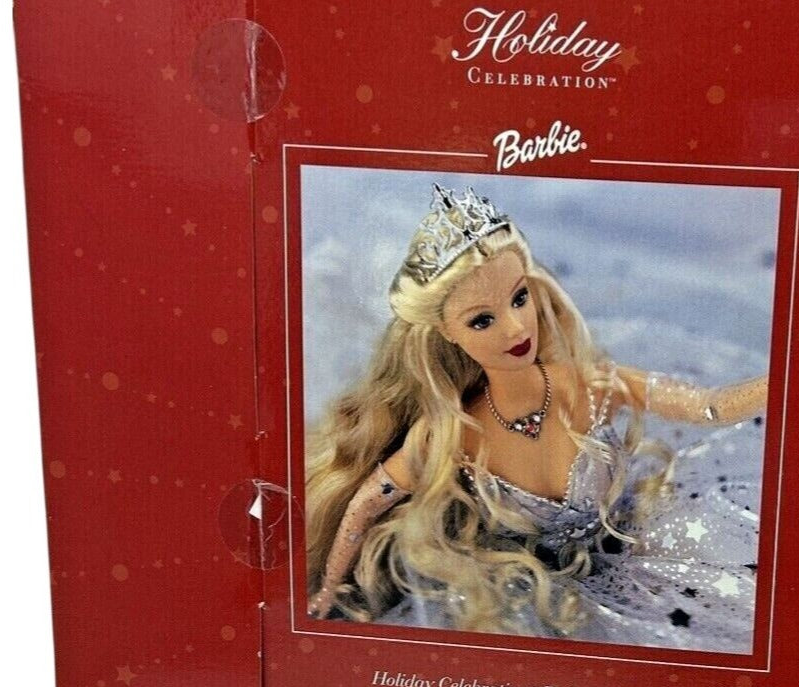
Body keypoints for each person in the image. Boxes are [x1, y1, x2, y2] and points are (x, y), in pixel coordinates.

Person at [305, 183, 768, 650]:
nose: (515, 327)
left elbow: (711, 406)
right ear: (447, 334)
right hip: (533, 593)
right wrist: (329, 587)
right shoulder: (452, 435)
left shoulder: (593, 386)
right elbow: (365, 503)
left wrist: (788, 376)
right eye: (482, 320)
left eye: (519, 297)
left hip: (638, 549)